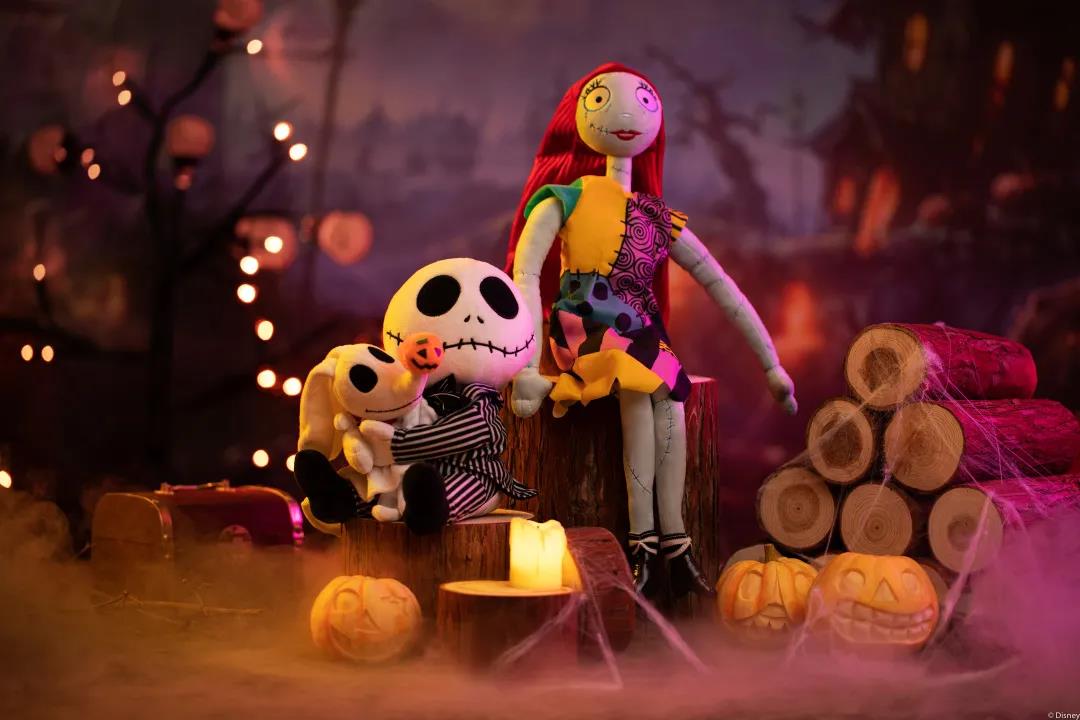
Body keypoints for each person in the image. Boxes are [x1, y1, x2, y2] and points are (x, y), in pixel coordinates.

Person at [507, 62, 797, 598]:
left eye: (644, 102)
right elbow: (524, 274)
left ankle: (674, 541)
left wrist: (771, 365)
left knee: (673, 404)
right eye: (603, 101)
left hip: (640, 334)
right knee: (641, 393)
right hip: (583, 328)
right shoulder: (564, 198)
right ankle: (642, 540)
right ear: (580, 116)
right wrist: (526, 365)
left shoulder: (656, 216)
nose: (626, 114)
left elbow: (721, 285)